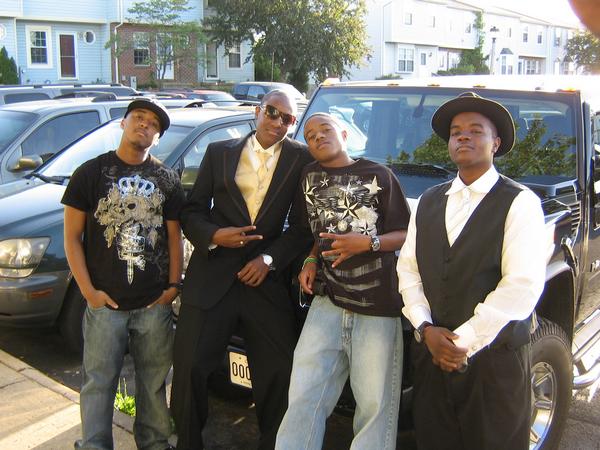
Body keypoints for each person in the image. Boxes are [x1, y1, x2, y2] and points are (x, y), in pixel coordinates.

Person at [397, 92, 548, 450]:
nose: (463, 136)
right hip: (432, 358)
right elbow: (409, 270)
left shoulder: (520, 202)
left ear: (496, 143)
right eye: (456, 131)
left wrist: (462, 341)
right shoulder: (428, 201)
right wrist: (425, 328)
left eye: (475, 130)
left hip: (493, 363)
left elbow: (521, 285)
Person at [171, 89, 312, 450]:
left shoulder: (301, 158)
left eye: (287, 118)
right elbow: (192, 210)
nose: (278, 122)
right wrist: (214, 235)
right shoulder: (219, 152)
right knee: (190, 367)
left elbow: (301, 228)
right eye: (272, 112)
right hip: (212, 275)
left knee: (280, 371)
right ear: (257, 111)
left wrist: (269, 260)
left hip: (263, 279)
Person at [275, 113, 410, 450]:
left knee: (374, 407)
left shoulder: (379, 175)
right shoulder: (308, 176)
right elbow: (318, 230)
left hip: (376, 305)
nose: (318, 137)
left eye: (325, 130)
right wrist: (310, 259)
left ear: (345, 135)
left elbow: (407, 234)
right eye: (310, 135)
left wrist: (369, 243)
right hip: (328, 301)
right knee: (303, 395)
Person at [62, 98, 185, 450]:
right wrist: (89, 292)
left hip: (153, 304)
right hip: (105, 304)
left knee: (153, 383)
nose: (145, 124)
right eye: (139, 117)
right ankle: (95, 444)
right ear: (123, 122)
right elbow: (71, 238)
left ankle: (154, 443)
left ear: (157, 137)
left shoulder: (166, 179)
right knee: (98, 382)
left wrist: (173, 286)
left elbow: (174, 237)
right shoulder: (90, 173)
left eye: (153, 124)